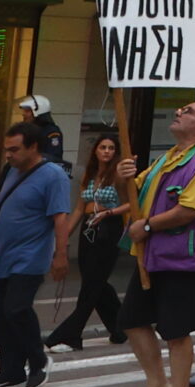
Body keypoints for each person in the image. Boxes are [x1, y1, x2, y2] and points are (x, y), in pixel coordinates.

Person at [115, 97, 195, 387]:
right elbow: (133, 195)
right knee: (132, 319)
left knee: (176, 331)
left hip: (183, 258)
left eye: (188, 112)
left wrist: (147, 226)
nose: (179, 113)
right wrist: (124, 179)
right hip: (152, 256)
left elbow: (191, 210)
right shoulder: (169, 158)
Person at [0, 120, 73, 387]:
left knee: (17, 307)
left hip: (31, 256)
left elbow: (60, 217)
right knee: (1, 317)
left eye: (14, 149)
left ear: (33, 147)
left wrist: (60, 255)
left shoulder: (53, 176)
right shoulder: (12, 172)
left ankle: (38, 360)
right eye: (6, 150)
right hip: (4, 257)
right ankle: (10, 372)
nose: (9, 155)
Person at [49, 132, 129, 349]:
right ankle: (120, 327)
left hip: (108, 229)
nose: (106, 151)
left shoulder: (118, 175)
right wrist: (62, 238)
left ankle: (70, 334)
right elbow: (78, 209)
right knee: (96, 282)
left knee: (92, 285)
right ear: (95, 150)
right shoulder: (90, 174)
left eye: (111, 148)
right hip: (88, 228)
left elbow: (132, 203)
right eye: (103, 147)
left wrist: (109, 213)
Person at [16, 94, 66, 166]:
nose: (23, 114)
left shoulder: (51, 132)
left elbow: (52, 158)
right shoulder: (29, 131)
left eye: (27, 111)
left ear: (38, 112)